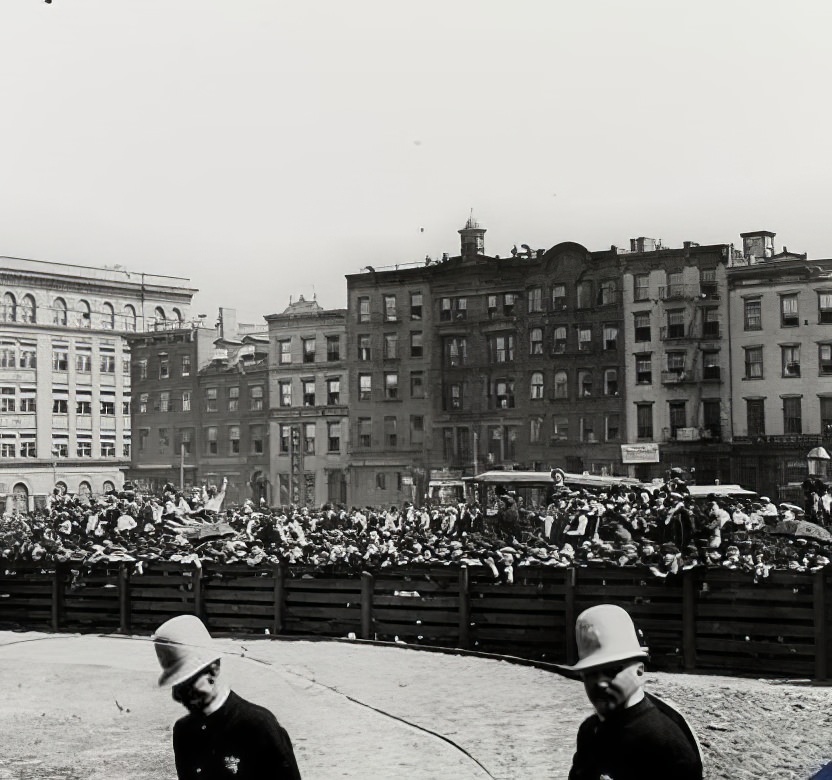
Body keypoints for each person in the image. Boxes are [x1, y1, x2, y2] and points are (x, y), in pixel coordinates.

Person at [556, 604, 702, 780]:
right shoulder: (590, 731)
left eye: (613, 670)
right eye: (591, 673)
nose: (600, 683)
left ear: (639, 670)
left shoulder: (664, 742)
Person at [153, 614, 301, 779]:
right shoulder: (184, 732)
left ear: (214, 668)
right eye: (176, 683)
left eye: (187, 681)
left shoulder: (258, 726)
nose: (178, 694)